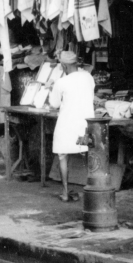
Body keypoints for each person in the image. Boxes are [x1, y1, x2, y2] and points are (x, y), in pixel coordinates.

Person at [48, 50, 95, 202]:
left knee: (63, 156)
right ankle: (92, 190)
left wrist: (51, 89)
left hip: (67, 123)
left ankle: (65, 191)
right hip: (86, 124)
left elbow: (54, 104)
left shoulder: (61, 82)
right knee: (88, 154)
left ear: (63, 65)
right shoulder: (87, 77)